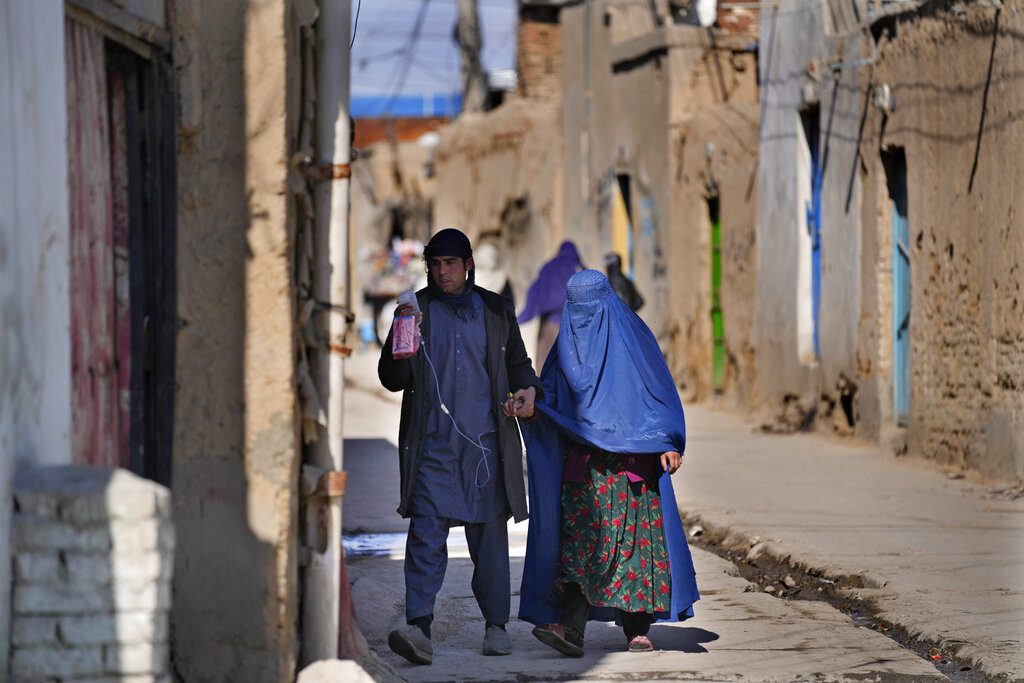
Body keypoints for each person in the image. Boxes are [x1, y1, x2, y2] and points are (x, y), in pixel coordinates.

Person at [378, 227, 542, 665]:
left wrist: (526, 392)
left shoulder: (495, 310)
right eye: (434, 264)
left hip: (484, 450)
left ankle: (496, 626)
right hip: (432, 447)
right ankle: (420, 629)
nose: (442, 272)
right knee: (425, 537)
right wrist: (400, 333)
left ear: (468, 264)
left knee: (489, 541)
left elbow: (519, 366)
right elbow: (392, 381)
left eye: (450, 263)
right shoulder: (418, 309)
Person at [518, 269, 699, 655]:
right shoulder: (565, 346)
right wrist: (532, 405)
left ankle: (636, 629)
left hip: (629, 470)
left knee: (633, 550)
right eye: (575, 308)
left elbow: (657, 389)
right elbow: (550, 396)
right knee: (579, 551)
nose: (582, 319)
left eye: (590, 309)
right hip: (583, 472)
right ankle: (571, 631)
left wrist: (669, 439)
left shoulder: (633, 339)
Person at [517, 241, 584, 371]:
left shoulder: (551, 267)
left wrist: (523, 316)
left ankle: (545, 390)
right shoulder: (580, 269)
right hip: (575, 325)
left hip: (550, 325)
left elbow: (537, 290)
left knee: (546, 363)